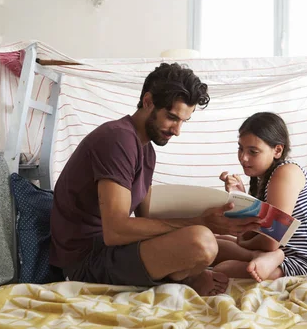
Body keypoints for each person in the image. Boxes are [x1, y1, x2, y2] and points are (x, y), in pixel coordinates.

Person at [50, 63, 261, 295]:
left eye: (183, 121)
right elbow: (116, 230)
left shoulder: (146, 149)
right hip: (86, 261)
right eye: (172, 117)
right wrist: (199, 223)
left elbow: (147, 218)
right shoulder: (117, 140)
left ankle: (263, 258)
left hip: (113, 248)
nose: (177, 130)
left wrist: (215, 219)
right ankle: (188, 280)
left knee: (213, 235)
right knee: (202, 241)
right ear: (148, 101)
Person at [213, 112, 307, 282]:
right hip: (285, 251)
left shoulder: (285, 173)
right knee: (216, 239)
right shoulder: (267, 178)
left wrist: (242, 243)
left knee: (223, 268)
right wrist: (241, 199)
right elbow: (255, 233)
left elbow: (270, 241)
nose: (243, 158)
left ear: (277, 150)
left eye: (253, 151)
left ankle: (272, 258)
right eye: (241, 148)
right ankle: (266, 257)